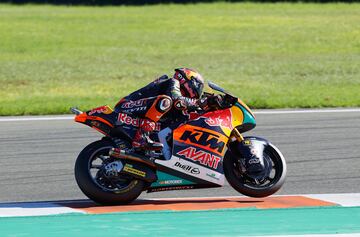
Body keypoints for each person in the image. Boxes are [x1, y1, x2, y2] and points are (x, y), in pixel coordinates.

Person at [114, 68, 206, 151]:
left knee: (184, 116)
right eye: (198, 87)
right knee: (165, 101)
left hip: (141, 112)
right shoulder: (173, 82)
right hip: (127, 105)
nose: (197, 92)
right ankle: (141, 137)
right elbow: (177, 100)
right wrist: (199, 102)